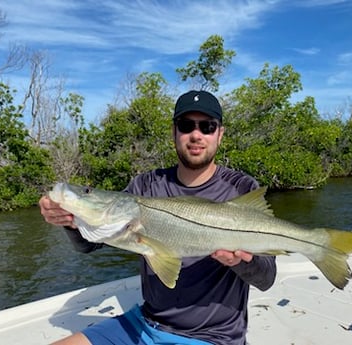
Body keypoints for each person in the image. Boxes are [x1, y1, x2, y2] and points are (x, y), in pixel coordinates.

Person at [39, 90, 277, 345]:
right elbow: (90, 244)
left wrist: (240, 262)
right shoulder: (145, 185)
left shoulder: (241, 188)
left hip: (213, 337)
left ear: (220, 134)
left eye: (207, 126)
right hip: (144, 323)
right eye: (186, 125)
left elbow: (267, 278)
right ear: (174, 131)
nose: (196, 135)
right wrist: (70, 221)